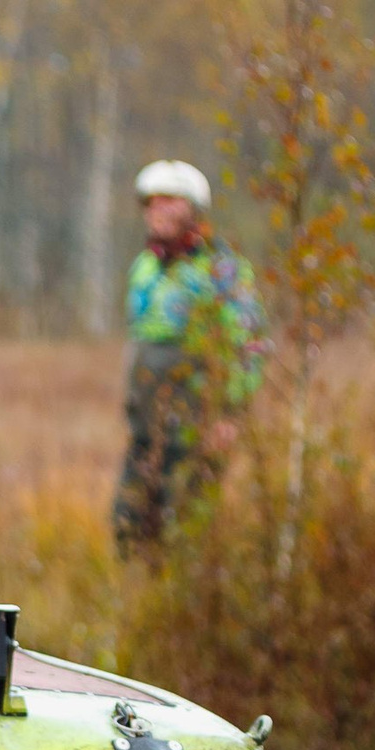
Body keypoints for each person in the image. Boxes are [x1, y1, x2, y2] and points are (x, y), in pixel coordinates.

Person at [113, 159, 266, 554]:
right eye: (151, 203)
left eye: (170, 202)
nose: (158, 211)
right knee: (128, 527)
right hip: (147, 432)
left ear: (193, 209)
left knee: (185, 533)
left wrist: (231, 414)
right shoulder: (144, 268)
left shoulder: (221, 268)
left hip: (196, 429)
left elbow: (247, 344)